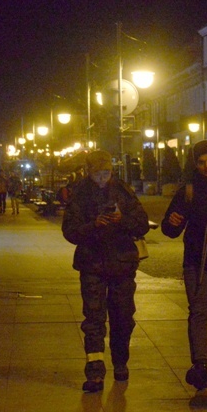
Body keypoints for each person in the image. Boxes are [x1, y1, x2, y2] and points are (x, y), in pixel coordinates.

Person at [62, 150, 150, 393]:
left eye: (106, 173)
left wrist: (121, 219)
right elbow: (69, 230)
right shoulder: (80, 194)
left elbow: (143, 224)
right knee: (93, 319)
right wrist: (93, 225)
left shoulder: (122, 191)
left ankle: (120, 361)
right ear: (88, 173)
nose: (102, 179)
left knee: (123, 317)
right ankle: (95, 372)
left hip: (122, 264)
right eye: (97, 174)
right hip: (92, 264)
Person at [161, 140, 207, 391]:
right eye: (202, 162)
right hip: (197, 261)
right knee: (199, 312)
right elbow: (170, 229)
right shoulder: (188, 191)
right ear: (196, 164)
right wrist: (172, 222)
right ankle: (200, 365)